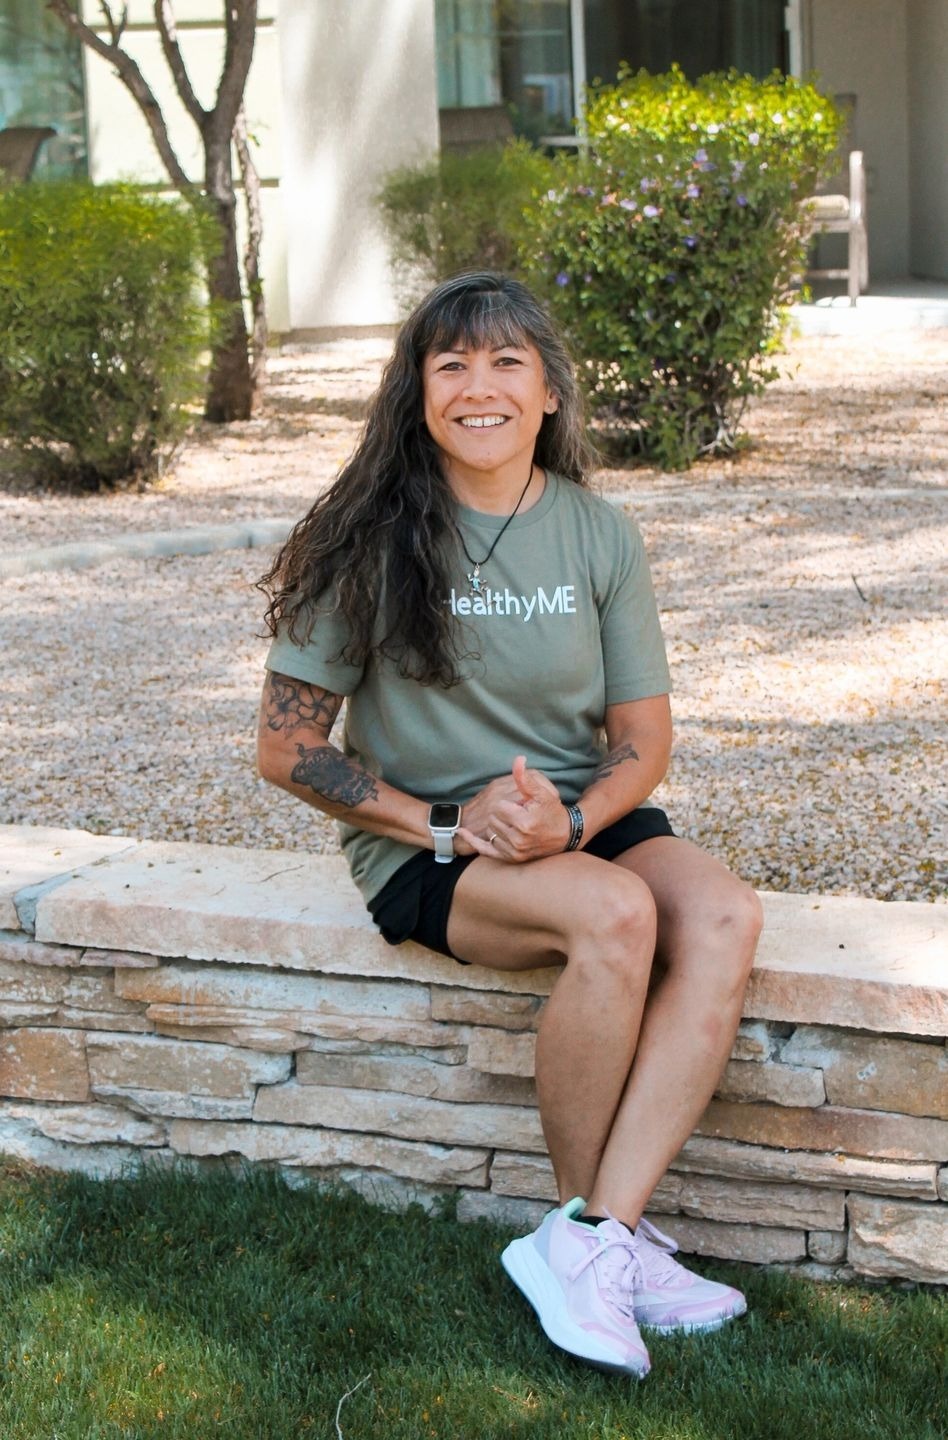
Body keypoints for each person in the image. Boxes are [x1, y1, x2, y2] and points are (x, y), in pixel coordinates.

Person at [256, 271, 763, 1378]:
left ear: (547, 394)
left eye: (505, 363)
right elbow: (288, 750)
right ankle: (604, 1241)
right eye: (450, 364)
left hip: (581, 816)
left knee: (722, 914)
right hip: (424, 845)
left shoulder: (599, 532)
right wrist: (449, 824)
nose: (478, 387)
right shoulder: (367, 538)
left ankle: (595, 1240)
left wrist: (574, 817)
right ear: (417, 394)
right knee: (617, 919)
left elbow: (643, 736)